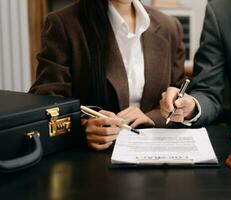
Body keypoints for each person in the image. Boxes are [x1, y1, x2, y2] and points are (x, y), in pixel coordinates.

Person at [30, 0, 185, 150]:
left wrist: (153, 118)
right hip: (91, 157)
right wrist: (83, 125)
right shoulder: (64, 23)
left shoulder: (169, 26)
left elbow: (179, 94)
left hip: (153, 151)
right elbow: (46, 100)